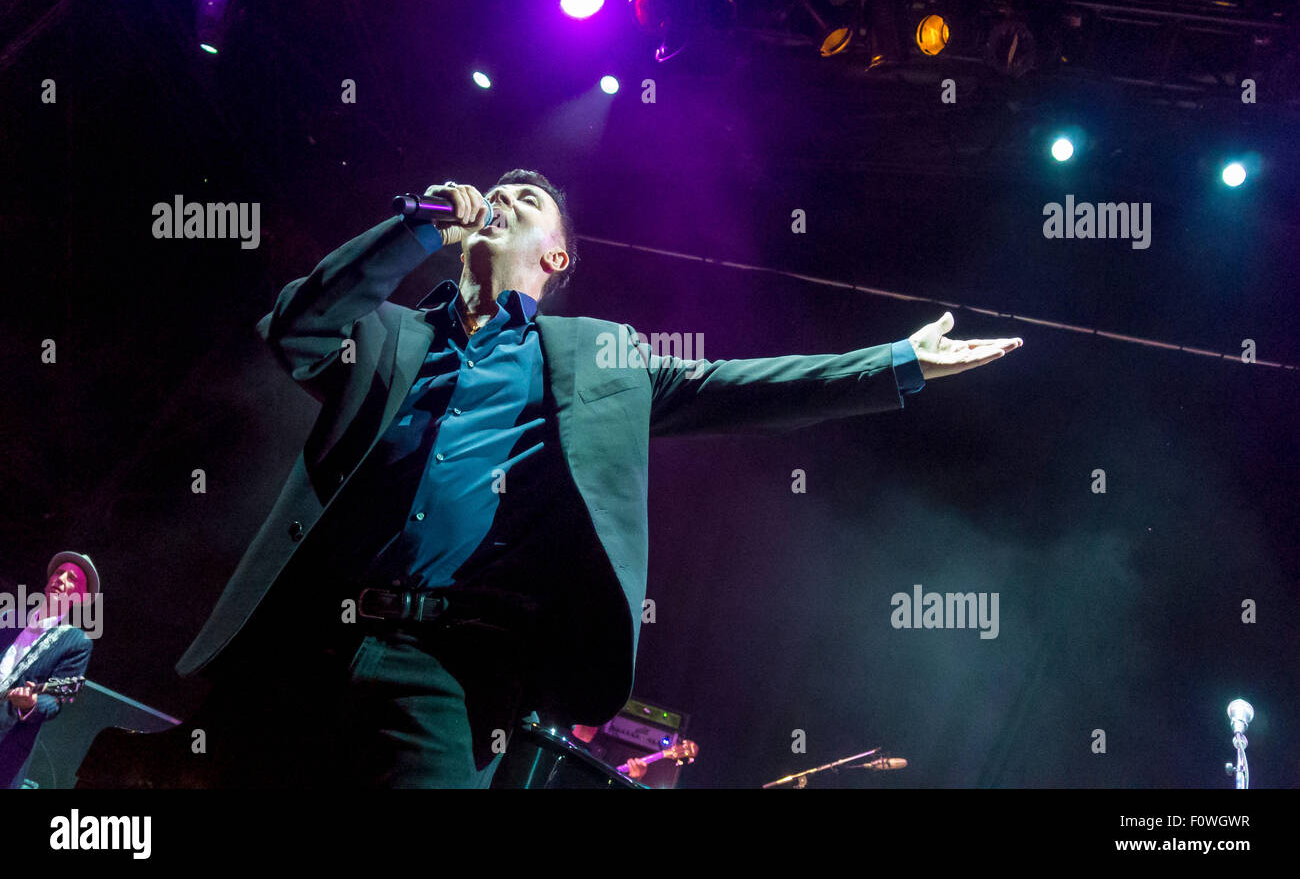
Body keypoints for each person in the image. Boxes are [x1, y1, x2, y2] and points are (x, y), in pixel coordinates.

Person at [175, 169, 1023, 787]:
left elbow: (732, 388)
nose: (504, 197)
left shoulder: (594, 358)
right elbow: (295, 330)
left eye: (530, 200)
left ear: (557, 261)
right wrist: (412, 227)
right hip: (306, 651)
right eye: (497, 191)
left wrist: (897, 363)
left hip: (448, 674)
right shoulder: (389, 333)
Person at [0, 552, 97, 788]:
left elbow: (54, 701)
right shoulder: (10, 617)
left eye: (71, 578)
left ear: (81, 596)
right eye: (58, 572)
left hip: (7, 741)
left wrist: (31, 704)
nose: (61, 579)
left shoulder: (76, 641)